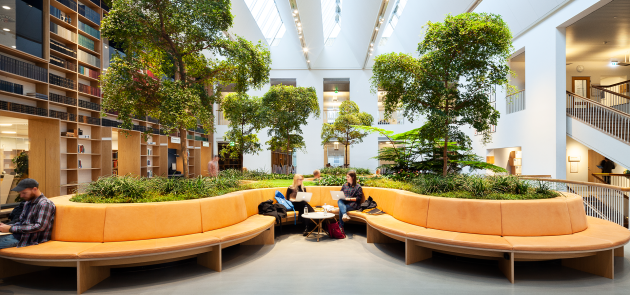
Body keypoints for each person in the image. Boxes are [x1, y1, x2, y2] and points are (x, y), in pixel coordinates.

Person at [0, 179, 56, 249]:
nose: (21, 196)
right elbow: (21, 222)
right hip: (19, 236)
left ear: (35, 189)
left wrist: (11, 228)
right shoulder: (28, 203)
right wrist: (5, 226)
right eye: (20, 193)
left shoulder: (45, 204)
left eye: (24, 193)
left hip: (30, 240)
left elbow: (39, 227)